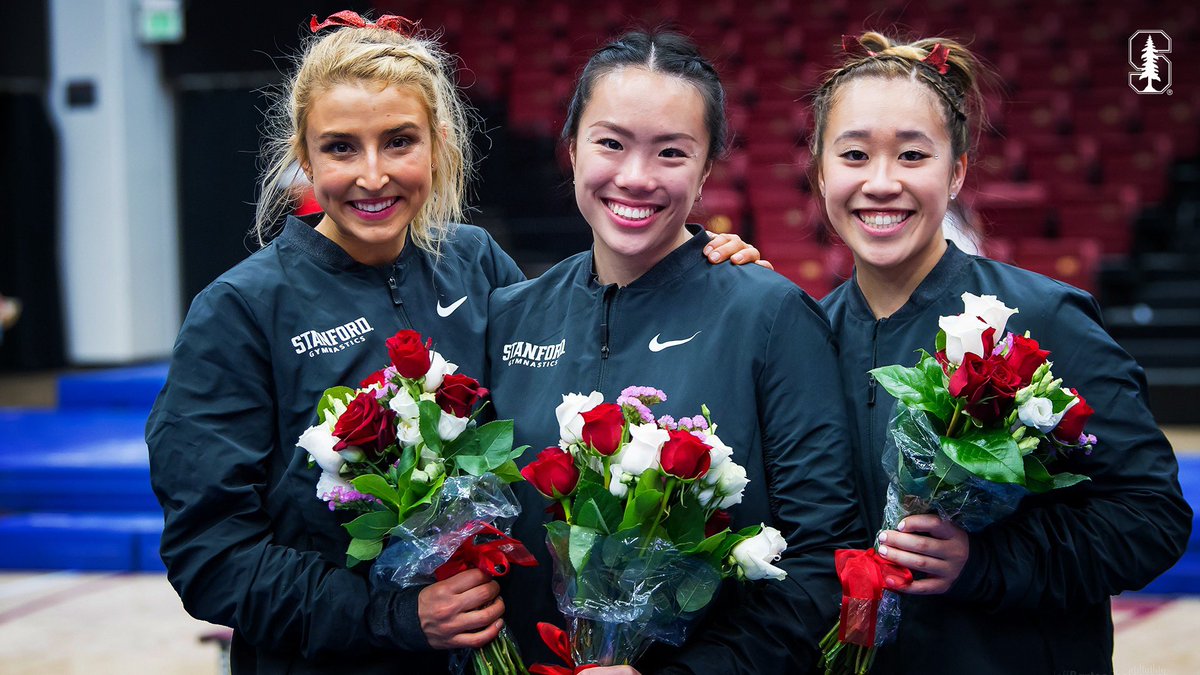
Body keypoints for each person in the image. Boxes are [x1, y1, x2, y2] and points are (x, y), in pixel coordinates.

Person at [146, 13, 765, 674]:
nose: (373, 174)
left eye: (399, 141)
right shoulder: (240, 311)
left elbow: (591, 361)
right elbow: (209, 555)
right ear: (304, 154)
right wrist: (392, 615)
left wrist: (700, 274)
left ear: (438, 144)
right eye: (341, 148)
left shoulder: (474, 264)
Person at [486, 31, 864, 674]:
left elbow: (819, 558)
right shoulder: (509, 315)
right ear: (571, 147)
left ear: (707, 166)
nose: (635, 178)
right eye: (610, 143)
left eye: (670, 152)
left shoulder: (768, 315)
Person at [815, 32, 1192, 674]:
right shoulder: (807, 336)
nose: (881, 183)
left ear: (956, 170)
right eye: (854, 155)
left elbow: (1151, 517)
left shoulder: (1044, 319)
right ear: (821, 171)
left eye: (912, 155)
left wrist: (986, 562)